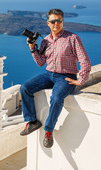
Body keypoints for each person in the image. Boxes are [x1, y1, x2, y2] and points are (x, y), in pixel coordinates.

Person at [19, 8, 91, 148]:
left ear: (63, 22)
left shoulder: (72, 38)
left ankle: (48, 130)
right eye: (53, 21)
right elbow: (41, 62)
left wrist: (81, 79)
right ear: (48, 23)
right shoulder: (45, 41)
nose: (56, 24)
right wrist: (33, 48)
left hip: (66, 76)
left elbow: (84, 60)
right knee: (25, 88)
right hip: (48, 74)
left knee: (56, 98)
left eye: (59, 21)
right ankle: (32, 121)